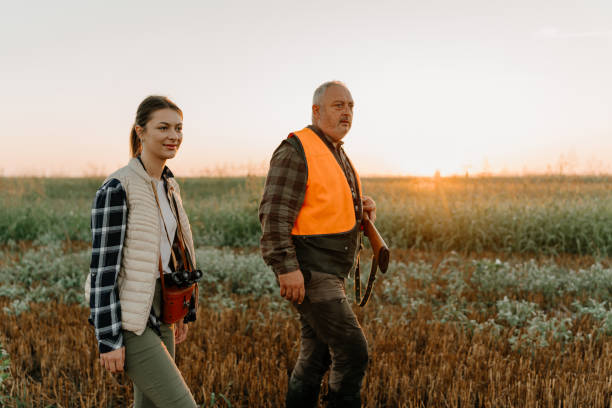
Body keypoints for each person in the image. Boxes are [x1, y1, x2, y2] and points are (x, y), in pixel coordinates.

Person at [259, 81, 377, 408]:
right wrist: (286, 268)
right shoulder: (296, 149)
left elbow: (320, 205)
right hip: (312, 271)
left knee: (317, 354)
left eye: (351, 106)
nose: (347, 112)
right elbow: (274, 214)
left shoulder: (334, 150)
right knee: (353, 351)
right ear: (316, 110)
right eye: (339, 105)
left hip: (329, 269)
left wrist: (359, 208)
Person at [84, 95, 198, 407]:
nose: (173, 136)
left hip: (163, 308)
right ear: (140, 131)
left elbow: (174, 254)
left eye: (178, 128)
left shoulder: (169, 185)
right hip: (130, 316)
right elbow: (103, 270)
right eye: (163, 127)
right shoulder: (118, 187)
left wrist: (184, 309)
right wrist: (108, 338)